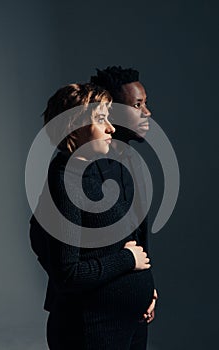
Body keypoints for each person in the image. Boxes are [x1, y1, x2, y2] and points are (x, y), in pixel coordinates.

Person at [29, 82, 155, 349]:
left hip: (130, 321)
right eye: (101, 119)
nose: (111, 128)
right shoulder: (65, 182)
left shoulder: (99, 173)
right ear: (73, 127)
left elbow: (129, 242)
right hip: (93, 328)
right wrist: (126, 260)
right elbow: (68, 274)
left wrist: (146, 291)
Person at [90, 65, 158, 323]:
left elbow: (138, 240)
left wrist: (147, 288)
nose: (147, 113)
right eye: (137, 105)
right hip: (97, 315)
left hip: (134, 312)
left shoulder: (133, 163)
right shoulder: (84, 167)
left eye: (145, 103)